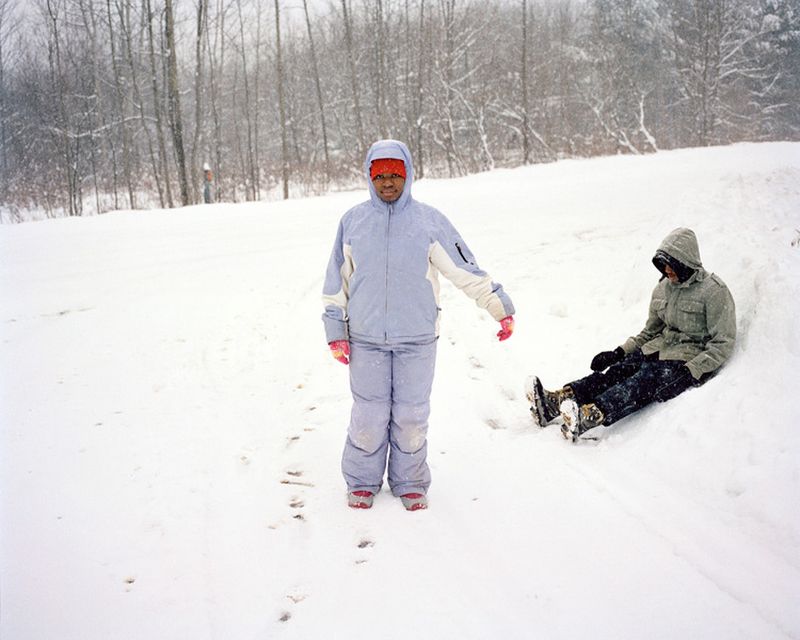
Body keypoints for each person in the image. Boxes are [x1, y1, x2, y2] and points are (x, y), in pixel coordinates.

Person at [322, 139, 515, 511]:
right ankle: (362, 480)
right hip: (365, 338)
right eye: (380, 175)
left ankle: (409, 480)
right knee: (369, 414)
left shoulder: (429, 221)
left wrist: (498, 306)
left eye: (396, 174)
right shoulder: (353, 222)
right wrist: (335, 331)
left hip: (417, 339)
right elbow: (336, 284)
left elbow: (465, 271)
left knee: (411, 413)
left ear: (408, 174)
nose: (388, 182)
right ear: (369, 177)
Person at [526, 227, 736, 442]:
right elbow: (650, 331)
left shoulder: (713, 291)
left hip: (684, 359)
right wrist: (618, 353)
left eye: (672, 265)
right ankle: (556, 402)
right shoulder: (663, 288)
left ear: (686, 262)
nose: (667, 270)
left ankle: (588, 416)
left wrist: (692, 371)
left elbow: (722, 343)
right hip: (656, 348)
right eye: (663, 265)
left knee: (641, 382)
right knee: (615, 373)